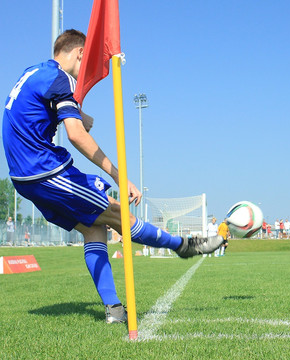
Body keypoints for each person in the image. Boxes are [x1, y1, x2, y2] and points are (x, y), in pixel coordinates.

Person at [2, 30, 223, 323]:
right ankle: (183, 246)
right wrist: (120, 176)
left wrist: (79, 113)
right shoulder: (61, 79)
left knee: (94, 228)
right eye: (88, 60)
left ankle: (115, 310)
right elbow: (75, 135)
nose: (86, 72)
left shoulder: (33, 73)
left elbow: (35, 112)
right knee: (118, 213)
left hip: (23, 177)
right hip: (44, 170)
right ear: (80, 52)